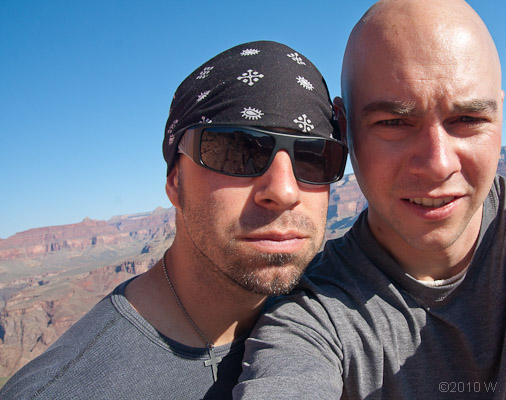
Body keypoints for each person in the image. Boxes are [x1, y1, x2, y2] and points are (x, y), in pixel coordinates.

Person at [233, 1, 506, 399]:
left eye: (468, 119)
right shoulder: (313, 317)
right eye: (393, 122)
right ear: (345, 128)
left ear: (499, 114)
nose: (437, 165)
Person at [0, 40, 346, 399]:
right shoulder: (61, 390)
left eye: (314, 156)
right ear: (174, 182)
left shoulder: (339, 304)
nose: (285, 191)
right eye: (238, 151)